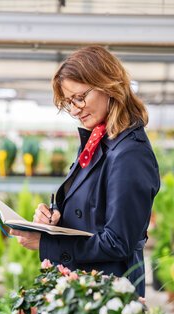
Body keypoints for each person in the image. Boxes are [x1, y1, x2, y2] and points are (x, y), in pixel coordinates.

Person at [10, 46, 160, 297]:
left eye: (80, 97)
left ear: (109, 86)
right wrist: (56, 217)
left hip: (109, 300)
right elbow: (92, 211)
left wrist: (47, 243)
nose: (75, 110)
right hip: (87, 290)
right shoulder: (99, 140)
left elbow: (117, 242)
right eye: (69, 102)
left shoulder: (130, 154)